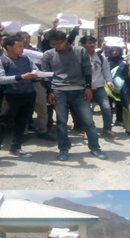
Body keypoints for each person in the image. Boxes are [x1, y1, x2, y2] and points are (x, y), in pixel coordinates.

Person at [41, 29, 107, 161]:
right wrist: (50, 91)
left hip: (79, 90)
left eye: (58, 43)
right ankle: (63, 149)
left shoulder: (80, 51)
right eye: (53, 44)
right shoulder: (48, 54)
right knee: (61, 122)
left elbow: (87, 70)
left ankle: (95, 147)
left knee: (88, 121)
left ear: (65, 40)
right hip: (59, 91)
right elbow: (46, 75)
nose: (56, 47)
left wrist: (88, 87)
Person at [0, 36, 38, 165]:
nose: (22, 48)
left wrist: (37, 73)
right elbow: (0, 79)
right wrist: (21, 77)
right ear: (9, 47)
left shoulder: (26, 58)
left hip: (29, 95)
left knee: (22, 122)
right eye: (19, 46)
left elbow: (35, 68)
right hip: (11, 96)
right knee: (2, 124)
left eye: (22, 46)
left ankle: (16, 147)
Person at [79, 35, 115, 138]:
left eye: (93, 42)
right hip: (84, 88)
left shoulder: (100, 57)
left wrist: (109, 81)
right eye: (89, 43)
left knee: (107, 108)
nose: (92, 45)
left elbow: (106, 70)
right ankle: (88, 130)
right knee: (87, 110)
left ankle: (107, 129)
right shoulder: (79, 56)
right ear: (83, 44)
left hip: (99, 87)